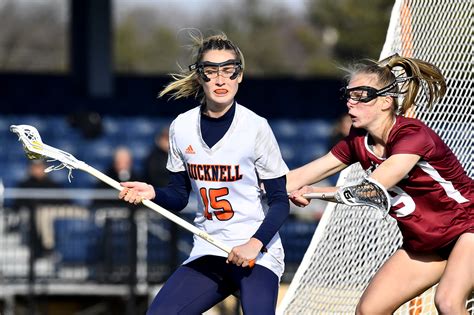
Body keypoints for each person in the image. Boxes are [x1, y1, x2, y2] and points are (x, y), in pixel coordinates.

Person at [118, 31, 290, 314]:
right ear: (200, 76)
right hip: (210, 248)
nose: (221, 79)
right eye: (211, 71)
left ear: (240, 75)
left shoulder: (256, 127)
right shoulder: (181, 127)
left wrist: (253, 244)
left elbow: (280, 201)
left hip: (257, 252)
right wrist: (152, 193)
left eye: (229, 70)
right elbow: (178, 196)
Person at [287, 54, 473, 314]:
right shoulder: (356, 142)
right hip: (427, 243)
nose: (351, 104)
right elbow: (297, 178)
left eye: (361, 96)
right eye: (349, 95)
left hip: (468, 227)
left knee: (448, 301)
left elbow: (370, 190)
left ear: (386, 102)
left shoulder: (412, 135)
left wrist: (315, 193)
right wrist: (252, 187)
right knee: (370, 310)